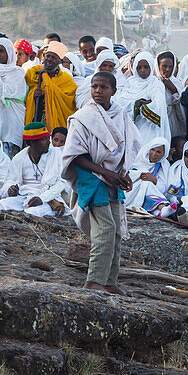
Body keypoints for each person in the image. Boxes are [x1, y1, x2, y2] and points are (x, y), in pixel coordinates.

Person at [61, 72, 140, 294]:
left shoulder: (120, 115)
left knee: (116, 230)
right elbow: (76, 156)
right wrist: (106, 173)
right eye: (94, 86)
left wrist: (122, 173)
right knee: (104, 229)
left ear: (113, 91)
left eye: (103, 87)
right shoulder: (83, 117)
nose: (97, 91)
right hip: (91, 177)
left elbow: (127, 147)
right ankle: (93, 280)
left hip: (112, 178)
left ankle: (109, 281)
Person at [0, 122, 70, 217]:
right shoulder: (19, 158)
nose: (49, 142)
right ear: (32, 142)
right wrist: (10, 189)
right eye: (44, 139)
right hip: (24, 197)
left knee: (32, 213)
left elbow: (61, 182)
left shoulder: (56, 154)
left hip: (48, 199)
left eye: (48, 137)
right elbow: (9, 180)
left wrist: (42, 198)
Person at [24, 42, 77, 133]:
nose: (49, 59)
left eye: (53, 58)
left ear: (60, 61)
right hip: (35, 116)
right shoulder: (33, 72)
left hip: (57, 123)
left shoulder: (66, 80)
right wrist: (33, 95)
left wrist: (47, 91)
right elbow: (22, 95)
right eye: (48, 56)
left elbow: (69, 103)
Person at [117, 52, 169, 143]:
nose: (142, 70)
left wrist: (144, 107)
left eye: (146, 67)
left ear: (151, 67)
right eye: (139, 67)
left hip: (149, 127)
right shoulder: (130, 82)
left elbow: (159, 106)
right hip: (131, 126)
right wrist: (138, 103)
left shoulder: (156, 84)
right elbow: (121, 102)